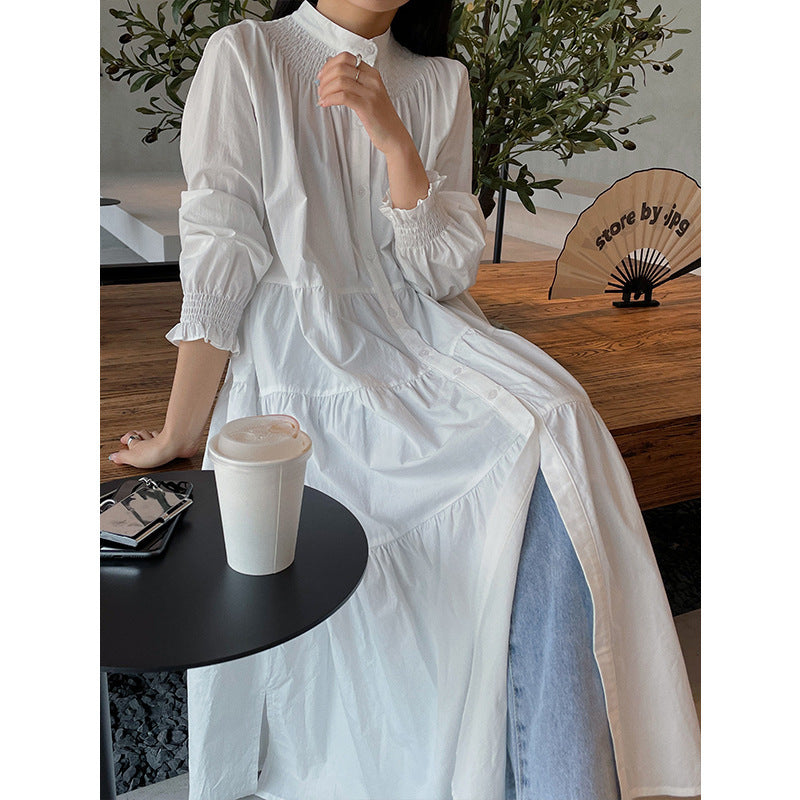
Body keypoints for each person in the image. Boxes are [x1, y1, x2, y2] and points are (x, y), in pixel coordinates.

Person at [109, 1, 701, 798]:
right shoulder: (246, 54)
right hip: (305, 356)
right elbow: (222, 251)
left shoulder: (438, 81)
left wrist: (393, 138)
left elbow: (445, 274)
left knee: (560, 433)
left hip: (427, 338)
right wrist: (184, 428)